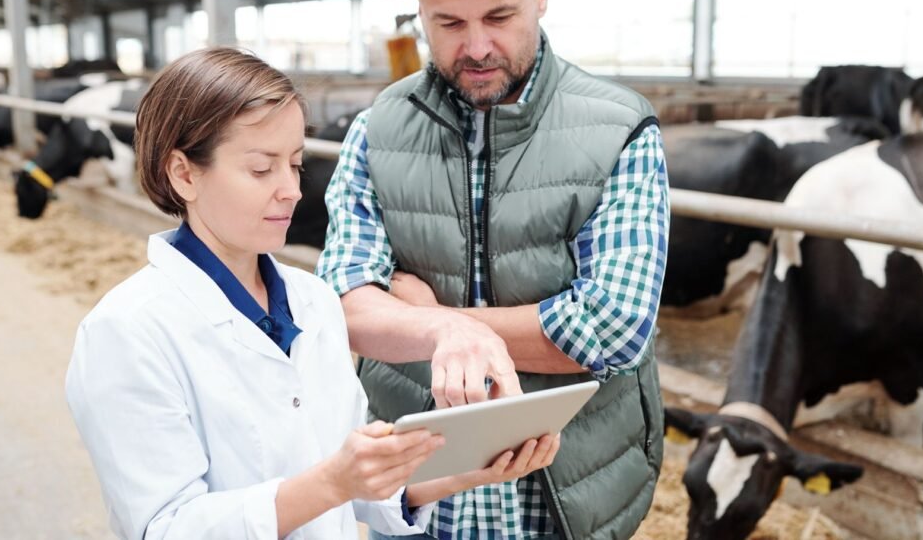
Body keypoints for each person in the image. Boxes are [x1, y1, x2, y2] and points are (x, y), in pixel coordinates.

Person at [65, 47, 559, 540]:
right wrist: (332, 481)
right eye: (261, 169)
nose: (292, 190)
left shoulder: (314, 301)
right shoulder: (127, 332)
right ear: (184, 173)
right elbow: (166, 528)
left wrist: (462, 472)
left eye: (296, 164)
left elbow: (351, 493)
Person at [316, 0, 670, 537]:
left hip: (567, 492)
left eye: (499, 17)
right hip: (419, 492)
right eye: (449, 23)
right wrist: (447, 334)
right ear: (420, 10)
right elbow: (344, 305)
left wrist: (434, 321)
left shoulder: (622, 127)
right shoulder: (375, 131)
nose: (476, 47)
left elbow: (612, 328)